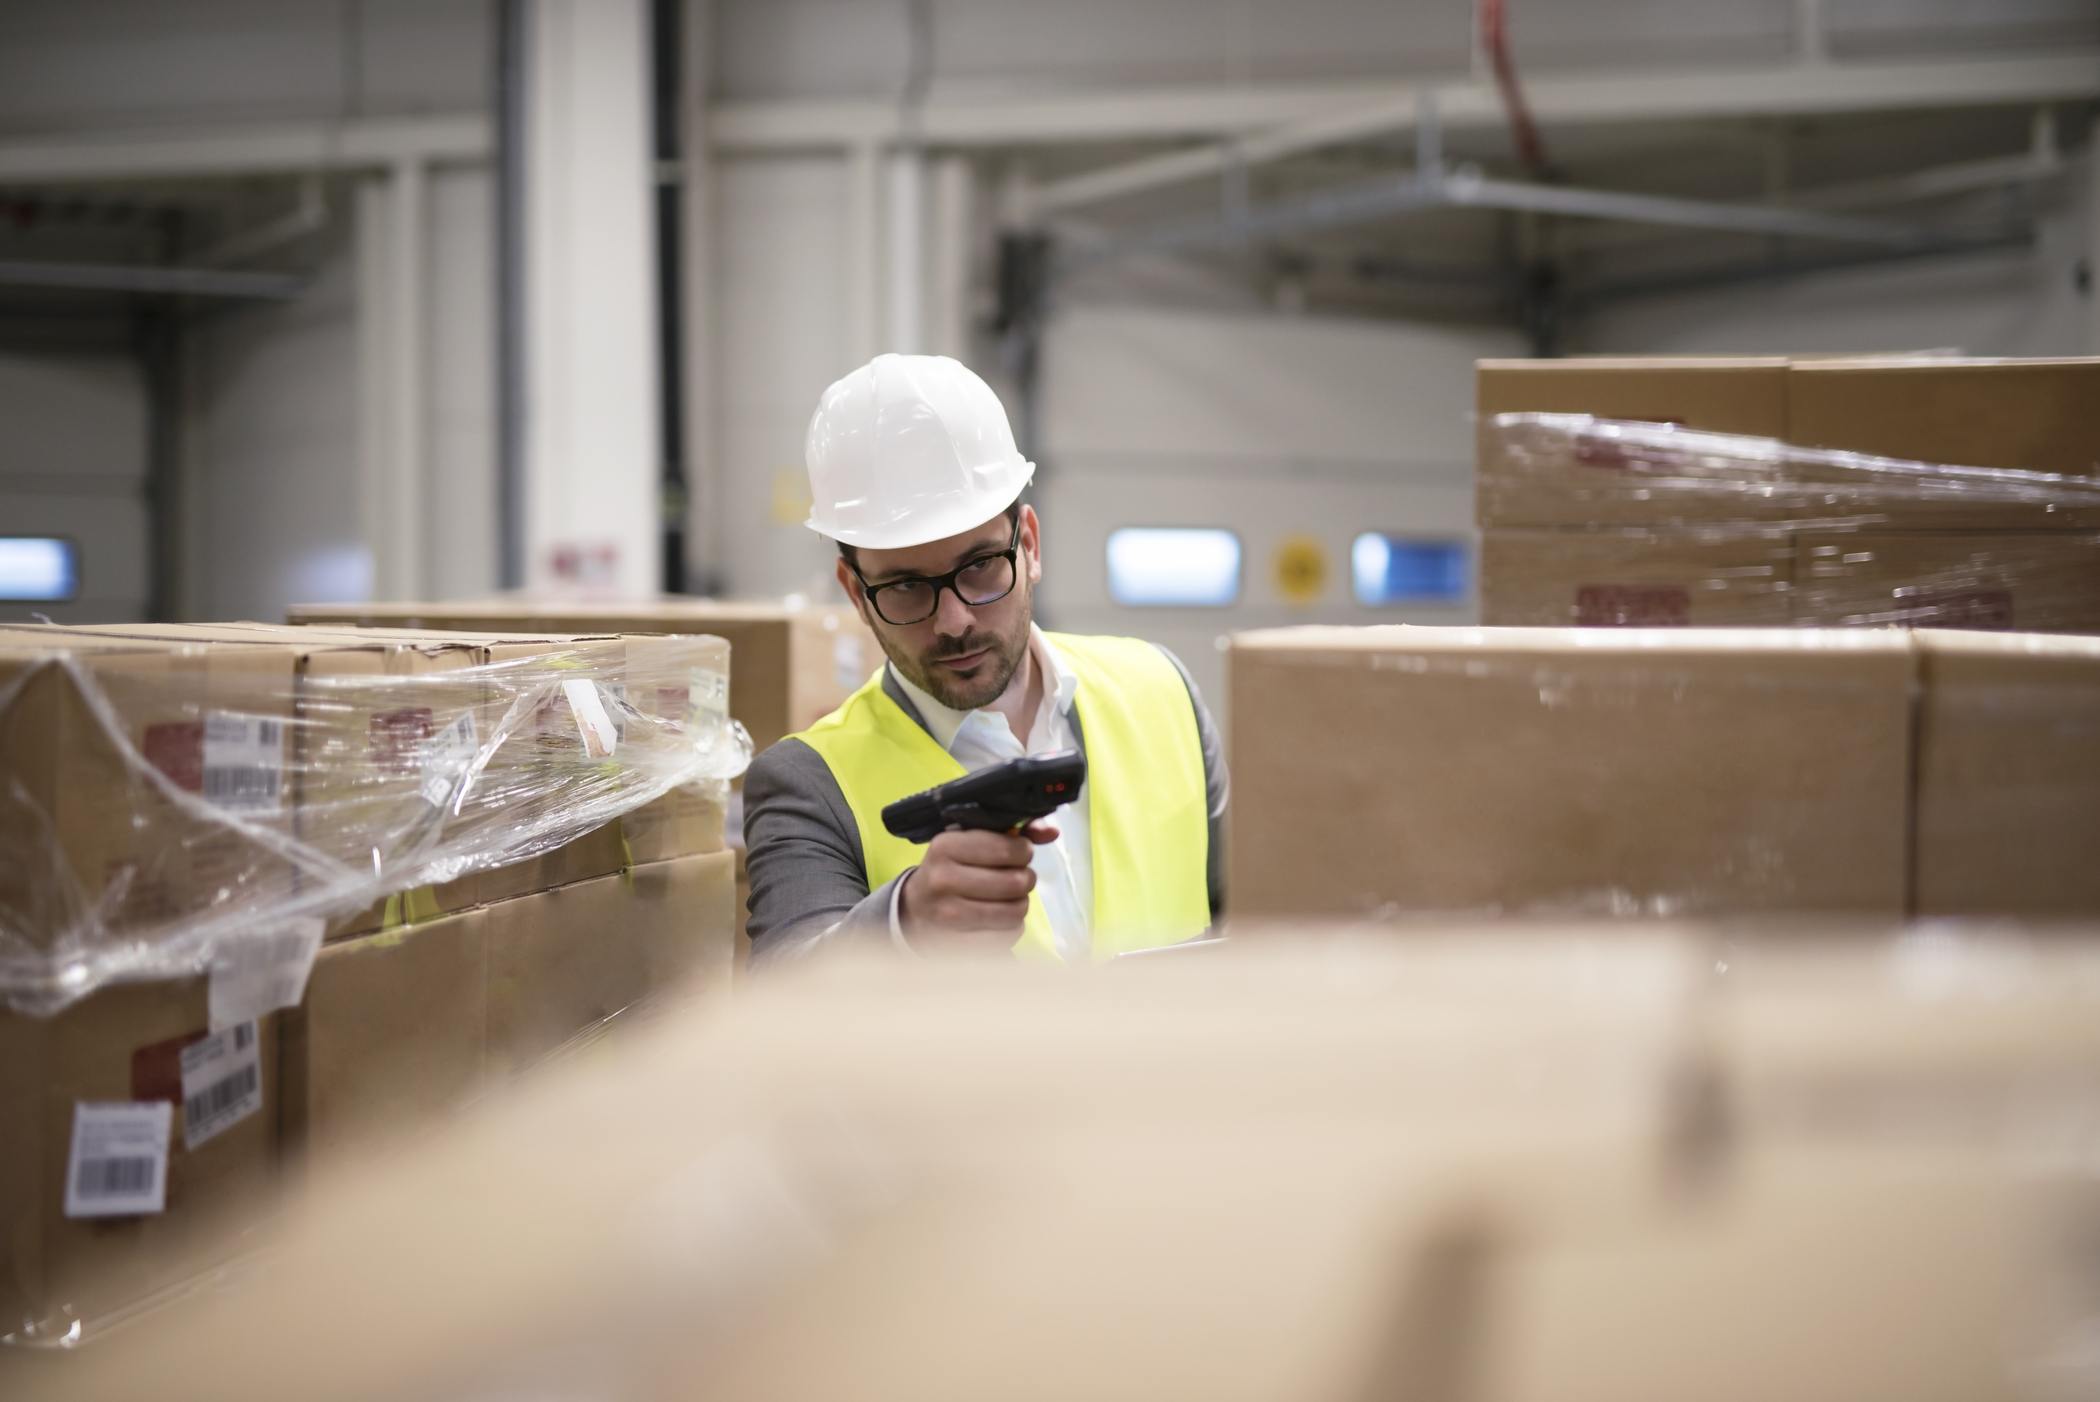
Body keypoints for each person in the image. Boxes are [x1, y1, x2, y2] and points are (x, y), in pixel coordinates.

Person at [743, 353, 1227, 964]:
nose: (955, 621)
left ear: (1027, 544)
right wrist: (904, 924)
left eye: (978, 567)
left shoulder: (1164, 692)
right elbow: (782, 1004)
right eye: (904, 588)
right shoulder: (809, 783)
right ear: (854, 594)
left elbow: (1262, 928)